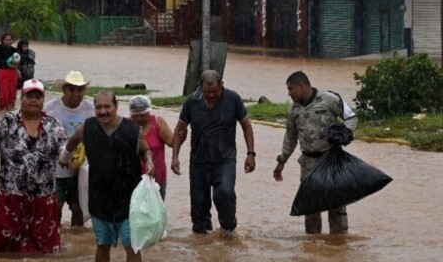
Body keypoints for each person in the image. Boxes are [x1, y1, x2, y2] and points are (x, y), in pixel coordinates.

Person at [0, 79, 68, 253]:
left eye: (38, 96)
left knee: (46, 250)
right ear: (21, 98)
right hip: (10, 195)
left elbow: (63, 147)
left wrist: (66, 157)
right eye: (29, 96)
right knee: (3, 248)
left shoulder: (53, 125)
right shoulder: (6, 122)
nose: (33, 100)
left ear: (43, 100)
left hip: (43, 197)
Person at [59, 91, 154, 262]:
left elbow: (146, 151)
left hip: (128, 202)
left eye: (107, 107)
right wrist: (64, 157)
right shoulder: (88, 127)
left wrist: (149, 162)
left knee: (131, 246)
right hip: (100, 200)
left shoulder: (133, 131)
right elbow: (72, 142)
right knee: (102, 244)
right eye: (98, 107)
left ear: (116, 107)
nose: (103, 111)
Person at [171, 70, 256, 236]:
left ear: (222, 86)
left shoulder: (233, 99)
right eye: (207, 92)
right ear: (199, 87)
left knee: (224, 192)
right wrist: (175, 157)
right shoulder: (191, 102)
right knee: (198, 207)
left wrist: (251, 154)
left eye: (215, 91)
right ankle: (203, 242)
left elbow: (246, 126)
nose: (211, 96)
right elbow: (179, 130)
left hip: (225, 160)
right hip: (198, 162)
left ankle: (228, 229)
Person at [273, 70, 358, 234]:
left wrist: (344, 132)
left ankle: (339, 241)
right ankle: (312, 244)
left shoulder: (329, 99)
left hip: (332, 160)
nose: (289, 93)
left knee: (337, 204)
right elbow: (290, 137)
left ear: (301, 86)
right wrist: (281, 161)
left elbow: (352, 117)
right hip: (308, 164)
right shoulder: (293, 111)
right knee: (310, 207)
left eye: (291, 89)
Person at [44, 70, 93, 227]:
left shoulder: (90, 109)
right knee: (55, 206)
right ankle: (56, 236)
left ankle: (76, 236)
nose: (76, 94)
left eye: (80, 90)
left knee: (79, 209)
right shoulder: (50, 108)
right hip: (56, 169)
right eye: (71, 89)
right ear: (64, 90)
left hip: (81, 169)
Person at [128, 95, 174, 200]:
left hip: (156, 178)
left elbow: (172, 142)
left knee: (156, 208)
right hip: (132, 178)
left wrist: (180, 134)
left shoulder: (158, 122)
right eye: (135, 116)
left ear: (148, 112)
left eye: (143, 115)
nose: (139, 118)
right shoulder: (126, 125)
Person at [0, 32, 19, 111]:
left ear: (12, 41)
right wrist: (10, 65)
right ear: (3, 40)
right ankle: (0, 110)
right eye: (7, 40)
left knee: (12, 96)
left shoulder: (15, 51)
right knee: (4, 96)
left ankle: (8, 113)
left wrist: (16, 68)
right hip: (2, 73)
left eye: (10, 40)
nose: (8, 41)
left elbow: (18, 61)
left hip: (13, 74)